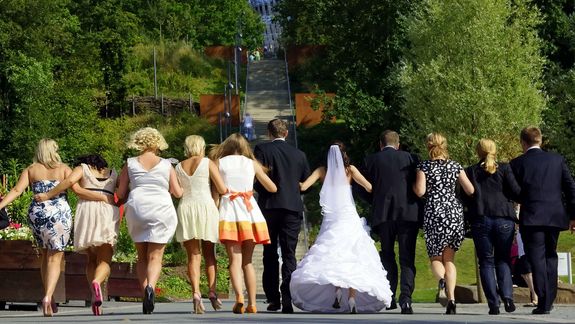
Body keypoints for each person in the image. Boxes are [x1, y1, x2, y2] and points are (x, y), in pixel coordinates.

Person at [290, 142, 393, 313]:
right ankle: (352, 298)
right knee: (352, 254)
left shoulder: (322, 171)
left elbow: (304, 186)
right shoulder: (350, 170)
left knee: (334, 253)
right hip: (348, 216)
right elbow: (369, 187)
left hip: (331, 219)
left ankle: (338, 291)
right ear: (344, 153)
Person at [34, 154, 120, 316]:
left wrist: (47, 195)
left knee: (91, 259)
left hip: (87, 212)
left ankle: (94, 294)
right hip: (108, 211)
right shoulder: (113, 173)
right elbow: (123, 191)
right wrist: (116, 201)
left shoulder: (82, 169)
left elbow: (69, 182)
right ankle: (97, 282)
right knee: (105, 258)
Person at [0, 139, 74, 317]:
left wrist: (0, 205)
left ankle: (50, 297)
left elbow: (17, 190)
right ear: (54, 150)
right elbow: (76, 187)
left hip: (38, 213)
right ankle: (48, 296)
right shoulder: (64, 169)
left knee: (44, 255)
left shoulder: (31, 169)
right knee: (56, 257)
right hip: (59, 214)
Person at [117, 127, 184, 314]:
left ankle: (143, 289)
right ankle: (151, 288)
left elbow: (120, 193)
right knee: (156, 256)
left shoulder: (129, 163)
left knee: (142, 257)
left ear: (138, 142)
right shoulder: (166, 164)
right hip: (161, 207)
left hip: (138, 207)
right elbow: (177, 192)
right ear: (158, 143)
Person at [509, 126, 575, 315]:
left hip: (531, 216)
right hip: (554, 215)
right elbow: (570, 187)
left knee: (536, 258)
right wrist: (573, 216)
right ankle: (549, 299)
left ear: (523, 142)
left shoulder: (517, 163)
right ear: (540, 139)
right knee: (550, 256)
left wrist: (526, 198)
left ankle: (543, 299)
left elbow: (513, 191)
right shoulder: (557, 160)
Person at [211, 133, 277, 314]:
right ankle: (252, 303)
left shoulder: (219, 163)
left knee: (234, 260)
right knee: (247, 262)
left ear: (226, 146)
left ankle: (239, 297)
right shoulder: (252, 164)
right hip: (251, 214)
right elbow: (272, 187)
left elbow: (216, 193)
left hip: (230, 212)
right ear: (244, 147)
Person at [254, 118, 311, 313]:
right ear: (286, 133)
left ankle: (273, 299)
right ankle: (288, 296)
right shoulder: (300, 154)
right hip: (292, 208)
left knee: (269, 254)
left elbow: (257, 179)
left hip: (269, 207)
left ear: (269, 133)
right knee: (289, 254)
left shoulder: (262, 150)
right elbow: (305, 184)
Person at [413, 133, 474, 315]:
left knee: (435, 257)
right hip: (454, 213)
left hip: (434, 213)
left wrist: (414, 188)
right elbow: (470, 189)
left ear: (428, 146)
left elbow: (420, 191)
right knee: (449, 259)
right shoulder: (455, 166)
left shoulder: (424, 166)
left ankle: (441, 280)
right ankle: (452, 298)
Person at [364, 130, 420, 314]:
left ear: (381, 144)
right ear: (398, 144)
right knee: (407, 257)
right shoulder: (411, 158)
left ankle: (390, 297)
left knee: (387, 255)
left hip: (384, 212)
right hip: (408, 213)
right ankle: (406, 298)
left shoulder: (371, 160)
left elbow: (363, 187)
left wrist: (374, 200)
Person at [464, 139, 521, 315]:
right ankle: (508, 297)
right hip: (504, 217)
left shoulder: (470, 171)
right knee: (503, 259)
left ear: (477, 152)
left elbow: (465, 197)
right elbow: (515, 191)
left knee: (486, 262)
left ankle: (493, 303)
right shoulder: (504, 168)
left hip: (481, 218)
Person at [175, 135, 227, 314]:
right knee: (209, 254)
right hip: (206, 207)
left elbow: (177, 192)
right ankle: (212, 291)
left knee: (193, 256)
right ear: (201, 146)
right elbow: (222, 189)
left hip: (186, 208)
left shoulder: (178, 166)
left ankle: (196, 293)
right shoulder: (207, 163)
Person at [514, 226, 539, 307]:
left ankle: (535, 298)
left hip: (526, 251)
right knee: (525, 274)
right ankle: (535, 297)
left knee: (528, 274)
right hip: (522, 252)